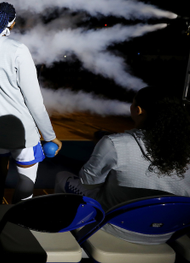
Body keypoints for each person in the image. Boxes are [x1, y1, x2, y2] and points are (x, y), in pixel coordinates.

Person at [55, 86, 190, 245]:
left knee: (61, 177)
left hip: (117, 226)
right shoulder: (185, 147)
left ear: (138, 110)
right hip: (168, 231)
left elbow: (88, 183)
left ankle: (61, 234)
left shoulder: (115, 143)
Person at [0, 2, 62, 204]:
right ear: (13, 23)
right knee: (25, 185)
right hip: (23, 132)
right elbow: (34, 101)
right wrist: (51, 136)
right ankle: (16, 224)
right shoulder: (18, 49)